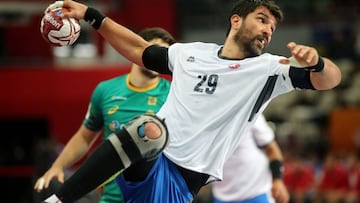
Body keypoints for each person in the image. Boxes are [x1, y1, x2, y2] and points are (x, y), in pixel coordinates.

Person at [42, 0, 341, 202]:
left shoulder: (269, 69)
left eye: (272, 28)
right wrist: (92, 15)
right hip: (150, 160)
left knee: (149, 130)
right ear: (235, 21)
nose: (267, 30)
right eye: (262, 20)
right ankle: (59, 199)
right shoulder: (190, 53)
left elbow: (330, 80)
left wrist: (317, 63)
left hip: (180, 183)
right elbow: (138, 50)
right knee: (148, 130)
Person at [34, 27, 175, 203]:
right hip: (111, 197)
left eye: (165, 55)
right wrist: (58, 166)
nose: (159, 59)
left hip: (153, 197)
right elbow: (85, 137)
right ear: (139, 51)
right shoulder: (105, 90)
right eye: (156, 51)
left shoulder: (173, 94)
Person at [211, 114, 289, 203]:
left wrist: (277, 180)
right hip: (223, 195)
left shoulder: (250, 110)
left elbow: (272, 149)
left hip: (256, 191)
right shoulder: (206, 117)